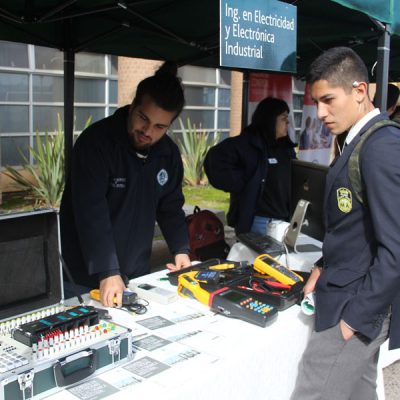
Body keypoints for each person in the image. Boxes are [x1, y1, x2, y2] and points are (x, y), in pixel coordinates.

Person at [291, 47, 400, 400]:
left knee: (313, 390)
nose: (320, 113)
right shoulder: (356, 141)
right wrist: (323, 265)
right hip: (346, 295)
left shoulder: (380, 146)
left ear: (359, 91)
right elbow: (355, 227)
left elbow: (396, 248)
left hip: (355, 305)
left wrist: (355, 318)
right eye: (316, 102)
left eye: (327, 100)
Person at [60, 62, 191, 308]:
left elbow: (170, 206)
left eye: (160, 127)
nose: (147, 131)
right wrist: (108, 270)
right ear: (133, 105)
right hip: (83, 277)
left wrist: (180, 249)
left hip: (135, 273)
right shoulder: (97, 143)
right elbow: (91, 212)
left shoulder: (168, 154)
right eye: (143, 118)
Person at [204, 97, 296, 236]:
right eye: (283, 118)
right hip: (258, 222)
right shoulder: (249, 143)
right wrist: (243, 183)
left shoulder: (286, 147)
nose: (288, 122)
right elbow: (215, 159)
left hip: (284, 221)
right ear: (271, 120)